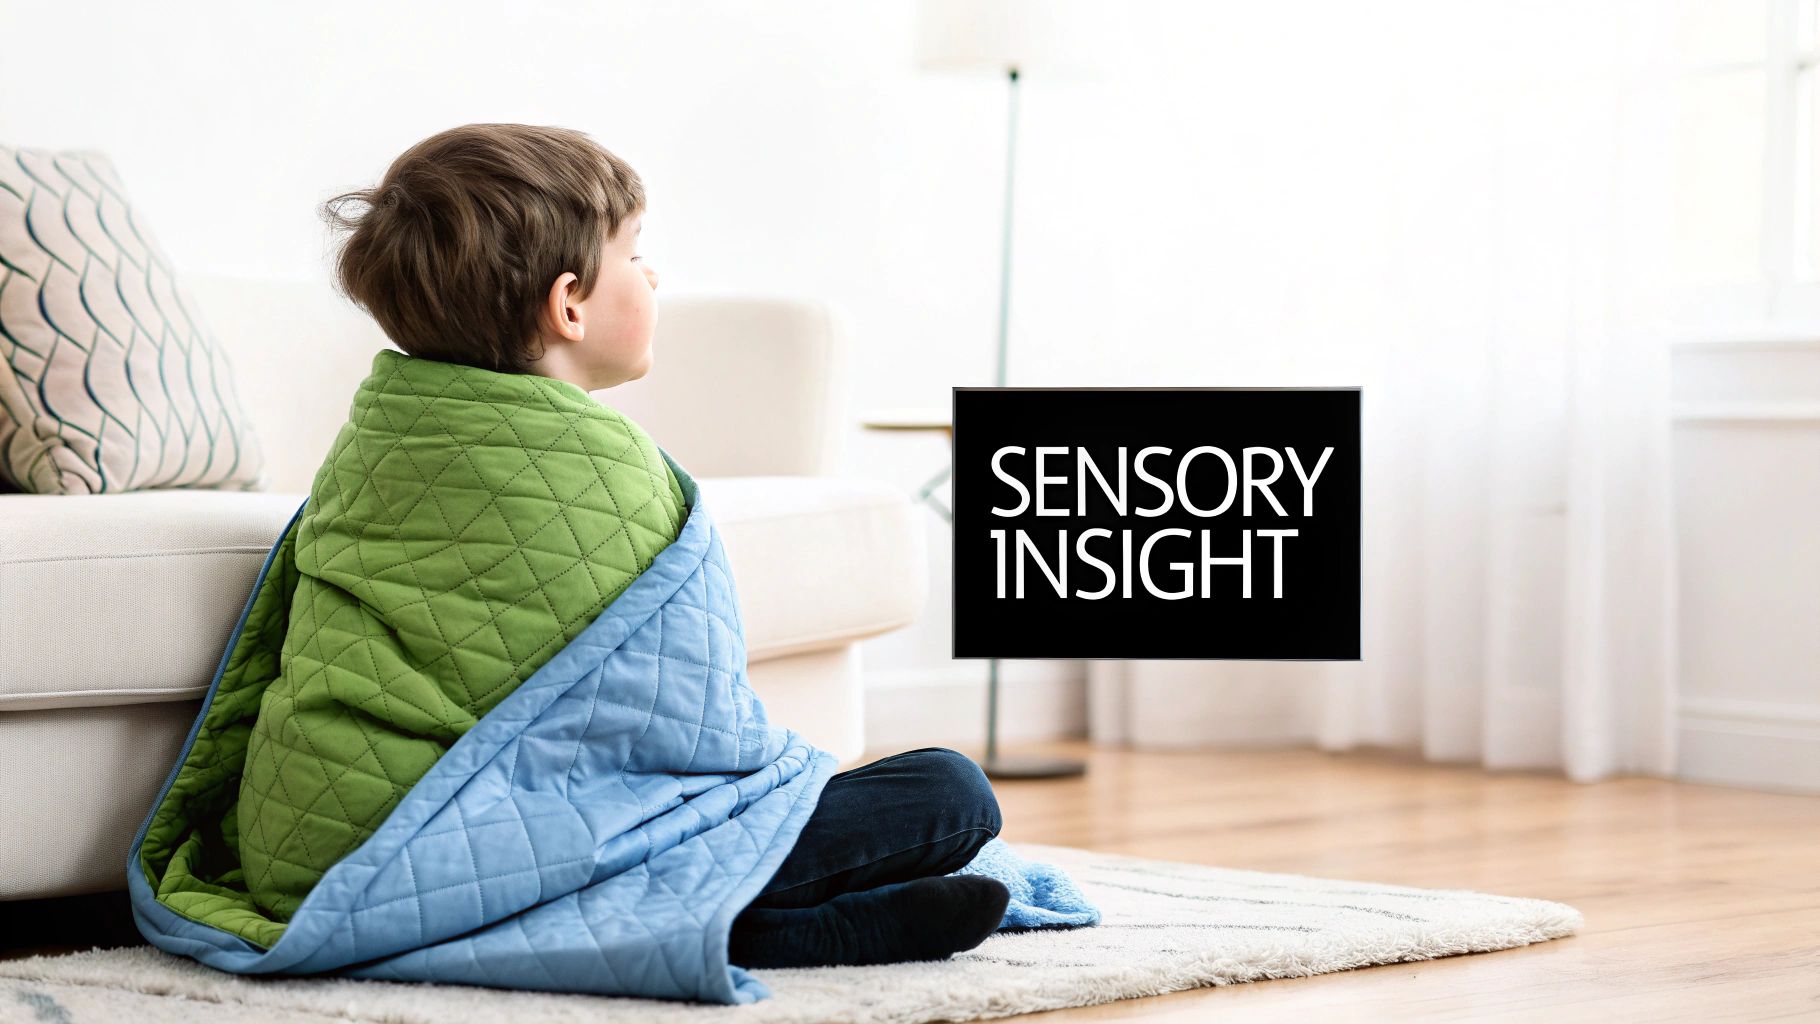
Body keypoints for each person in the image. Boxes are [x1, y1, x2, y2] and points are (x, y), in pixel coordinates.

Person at [320, 123, 1010, 967]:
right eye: (636, 254)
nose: (655, 275)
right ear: (569, 303)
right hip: (504, 846)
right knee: (951, 796)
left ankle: (726, 921)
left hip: (329, 844)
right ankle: (735, 923)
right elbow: (694, 729)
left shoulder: (379, 437)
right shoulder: (611, 471)